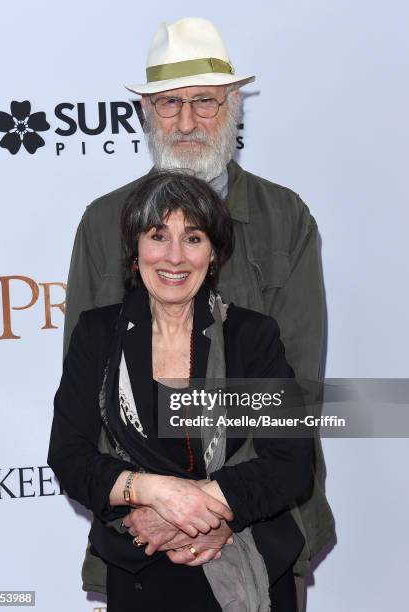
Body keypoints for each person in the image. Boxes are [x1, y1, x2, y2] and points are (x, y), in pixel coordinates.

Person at [62, 17, 335, 606]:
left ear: (234, 104)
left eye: (204, 101)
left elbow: (296, 396)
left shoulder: (284, 217)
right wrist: (154, 507)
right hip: (139, 535)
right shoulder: (102, 222)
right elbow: (91, 404)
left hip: (260, 527)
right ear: (144, 112)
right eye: (168, 103)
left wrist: (217, 509)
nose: (186, 121)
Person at [49, 171, 314, 611]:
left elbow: (290, 462)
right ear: (135, 250)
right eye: (158, 236)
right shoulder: (98, 335)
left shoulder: (252, 336)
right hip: (141, 564)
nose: (174, 257)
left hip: (245, 560)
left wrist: (195, 509)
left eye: (193, 238)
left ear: (213, 255)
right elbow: (70, 456)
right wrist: (155, 493)